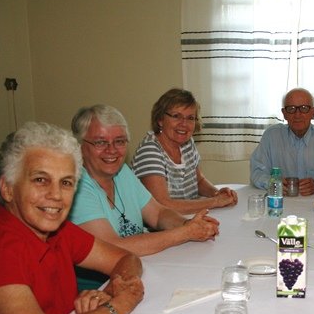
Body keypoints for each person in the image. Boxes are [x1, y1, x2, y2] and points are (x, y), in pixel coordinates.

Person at [0, 123, 144, 314]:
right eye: (40, 180)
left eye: (66, 182)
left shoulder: (58, 231)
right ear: (7, 188)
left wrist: (113, 287)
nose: (56, 195)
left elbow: (127, 258)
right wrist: (117, 307)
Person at [69, 105, 220, 257]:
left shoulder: (122, 172)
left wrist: (188, 224)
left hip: (139, 263)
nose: (112, 150)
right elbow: (113, 247)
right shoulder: (76, 186)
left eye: (120, 141)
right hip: (104, 279)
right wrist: (185, 233)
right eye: (100, 142)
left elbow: (158, 214)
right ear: (79, 145)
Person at [131, 88, 238, 215]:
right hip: (160, 229)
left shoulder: (187, 143)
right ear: (160, 119)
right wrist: (215, 202)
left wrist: (216, 193)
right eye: (176, 116)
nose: (184, 124)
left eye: (190, 118)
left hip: (189, 217)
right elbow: (162, 205)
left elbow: (199, 181)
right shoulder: (149, 152)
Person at [250, 88, 314, 195]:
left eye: (304, 108)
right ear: (284, 114)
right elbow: (257, 172)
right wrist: (273, 183)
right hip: (282, 203)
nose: (297, 115)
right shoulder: (271, 136)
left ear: (313, 112)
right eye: (291, 108)